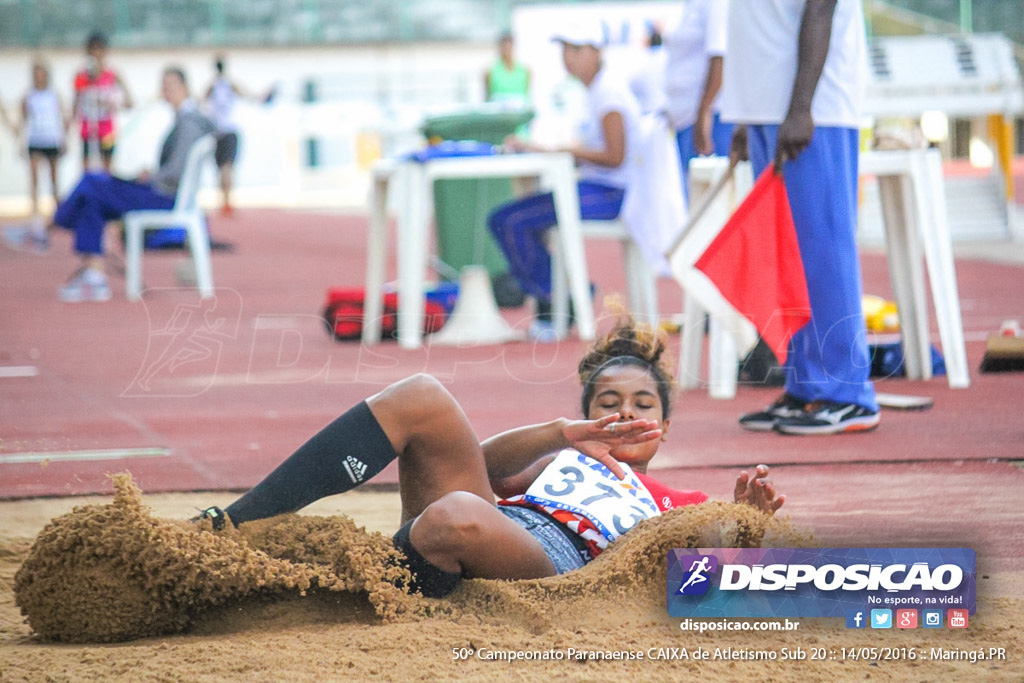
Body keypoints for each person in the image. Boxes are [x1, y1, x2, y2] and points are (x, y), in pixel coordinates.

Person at [195, 316, 784, 598]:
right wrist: (560, 434)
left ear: (665, 427)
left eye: (640, 403)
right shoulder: (564, 457)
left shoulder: (677, 501)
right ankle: (234, 524)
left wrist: (746, 523)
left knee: (455, 515)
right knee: (423, 395)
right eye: (608, 402)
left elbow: (706, 571)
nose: (624, 414)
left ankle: (328, 588)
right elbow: (488, 467)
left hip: (558, 563)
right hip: (496, 523)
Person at [721, 0, 879, 435]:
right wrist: (750, 115)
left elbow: (820, 11)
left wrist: (800, 108)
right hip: (773, 109)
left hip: (814, 111)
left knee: (823, 254)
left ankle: (848, 392)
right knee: (788, 257)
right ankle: (807, 385)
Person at [488, 21, 641, 341]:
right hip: (598, 186)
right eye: (564, 50)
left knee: (510, 221)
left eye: (575, 50)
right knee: (512, 219)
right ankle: (564, 295)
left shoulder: (609, 92)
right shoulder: (593, 91)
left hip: (611, 193)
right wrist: (545, 149)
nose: (567, 58)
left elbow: (615, 156)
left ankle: (557, 298)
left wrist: (563, 150)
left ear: (596, 52)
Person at [53, 67, 214, 302]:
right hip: (164, 192)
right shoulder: (188, 119)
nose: (166, 91)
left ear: (185, 88)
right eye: (164, 85)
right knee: (91, 200)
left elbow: (176, 173)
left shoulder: (189, 122)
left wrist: (151, 177)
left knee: (91, 181)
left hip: (163, 196)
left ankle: (56, 222)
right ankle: (94, 276)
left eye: (171, 85)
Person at [663, 0, 733, 204]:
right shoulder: (691, 6)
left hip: (710, 119)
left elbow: (720, 56)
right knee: (696, 202)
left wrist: (704, 111)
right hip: (688, 118)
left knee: (713, 204)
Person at [72, 31, 133, 172]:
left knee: (108, 170)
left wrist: (112, 104)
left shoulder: (112, 75)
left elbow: (130, 103)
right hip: (88, 129)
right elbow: (75, 104)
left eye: (99, 49)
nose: (96, 53)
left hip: (107, 130)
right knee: (87, 170)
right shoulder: (81, 76)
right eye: (92, 49)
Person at [20, 60, 70, 232]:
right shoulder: (29, 96)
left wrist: (64, 139)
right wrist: (21, 141)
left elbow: (61, 118)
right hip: (35, 140)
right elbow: (24, 120)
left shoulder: (54, 95)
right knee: (34, 178)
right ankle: (34, 213)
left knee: (54, 179)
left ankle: (57, 214)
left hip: (51, 139)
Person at [204, 54, 244, 217]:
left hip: (217, 131)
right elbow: (247, 95)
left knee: (221, 168)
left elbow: (200, 101)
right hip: (228, 130)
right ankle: (226, 201)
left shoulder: (212, 86)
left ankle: (224, 201)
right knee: (227, 168)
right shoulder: (230, 84)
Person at [484, 31, 530, 106]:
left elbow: (526, 95)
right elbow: (487, 97)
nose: (506, 50)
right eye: (504, 47)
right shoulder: (489, 71)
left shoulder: (525, 70)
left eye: (509, 46)